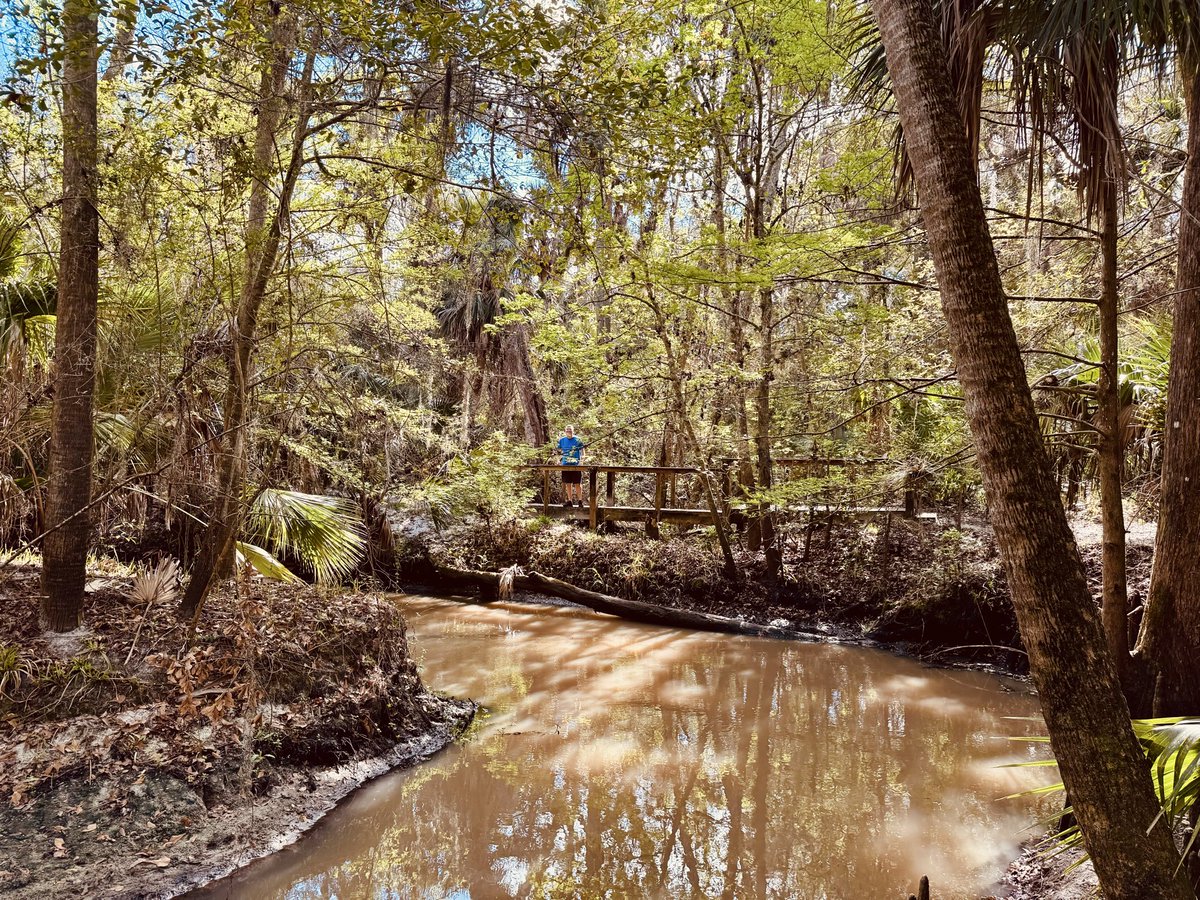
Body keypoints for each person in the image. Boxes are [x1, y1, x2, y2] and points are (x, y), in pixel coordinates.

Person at [556, 425, 585, 507]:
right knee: (568, 483)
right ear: (565, 431)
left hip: (576, 464)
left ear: (573, 431)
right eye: (567, 430)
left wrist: (581, 461)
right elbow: (558, 451)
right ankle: (570, 501)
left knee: (577, 483)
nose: (569, 431)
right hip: (565, 464)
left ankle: (580, 501)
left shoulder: (577, 439)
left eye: (570, 430)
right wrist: (558, 460)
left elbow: (582, 450)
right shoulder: (562, 440)